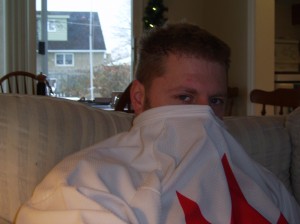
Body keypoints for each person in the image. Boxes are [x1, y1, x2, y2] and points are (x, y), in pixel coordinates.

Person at [16, 23, 300, 223]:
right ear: (139, 97)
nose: (205, 117)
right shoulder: (89, 182)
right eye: (185, 97)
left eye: (216, 101)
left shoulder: (265, 183)